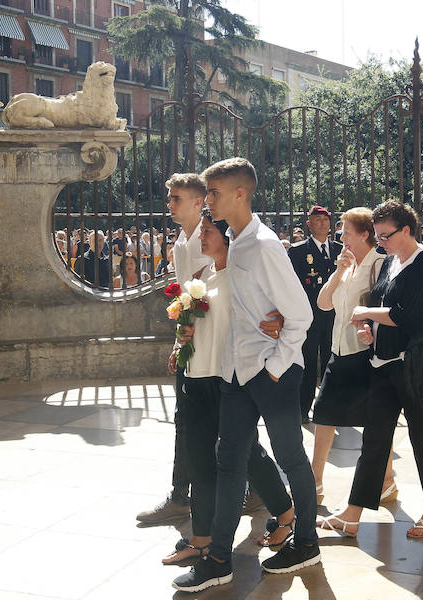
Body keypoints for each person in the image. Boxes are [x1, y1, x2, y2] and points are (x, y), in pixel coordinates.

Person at [173, 158, 319, 593]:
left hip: (272, 373)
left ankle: (307, 542)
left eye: (213, 194)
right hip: (235, 374)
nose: (208, 202)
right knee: (228, 461)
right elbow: (244, 309)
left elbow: (301, 315)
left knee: (291, 458)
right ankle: (218, 559)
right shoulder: (234, 242)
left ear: (239, 193)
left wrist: (274, 368)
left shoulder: (265, 244)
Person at [161, 208, 296, 566]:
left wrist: (281, 319)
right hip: (195, 377)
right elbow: (191, 322)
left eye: (207, 231)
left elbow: (276, 307)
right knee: (201, 461)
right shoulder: (200, 275)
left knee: (247, 455)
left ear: (226, 236)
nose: (200, 237)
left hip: (227, 379)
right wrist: (181, 340)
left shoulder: (239, 276)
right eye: (201, 230)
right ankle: (201, 539)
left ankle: (285, 512)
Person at [317, 200, 423, 539]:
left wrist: (365, 314)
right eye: (377, 235)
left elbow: (407, 315)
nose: (382, 241)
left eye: (386, 235)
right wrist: (368, 328)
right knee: (374, 441)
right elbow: (380, 307)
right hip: (382, 364)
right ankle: (352, 513)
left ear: (407, 229)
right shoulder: (390, 262)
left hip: (414, 367)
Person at [136, 173, 211, 525]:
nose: (169, 204)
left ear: (199, 202)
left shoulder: (211, 239)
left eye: (176, 198)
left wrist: (185, 336)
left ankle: (256, 487)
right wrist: (179, 342)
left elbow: (207, 297)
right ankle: (180, 494)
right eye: (169, 198)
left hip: (211, 344)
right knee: (188, 419)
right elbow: (188, 299)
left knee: (220, 422)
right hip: (191, 341)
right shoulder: (183, 239)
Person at [308, 207, 396, 502]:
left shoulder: (381, 264)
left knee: (375, 421)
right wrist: (339, 272)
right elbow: (323, 304)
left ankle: (387, 480)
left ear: (364, 234)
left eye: (346, 231)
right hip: (338, 350)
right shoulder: (346, 264)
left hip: (365, 354)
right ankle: (315, 482)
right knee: (323, 414)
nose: (341, 236)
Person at [287, 206, 342, 423]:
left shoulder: (339, 250)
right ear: (308, 224)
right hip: (309, 317)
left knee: (332, 362)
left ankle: (329, 408)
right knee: (308, 364)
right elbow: (292, 285)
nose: (322, 223)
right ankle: (303, 409)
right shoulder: (298, 251)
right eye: (316, 220)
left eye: (325, 220)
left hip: (334, 316)